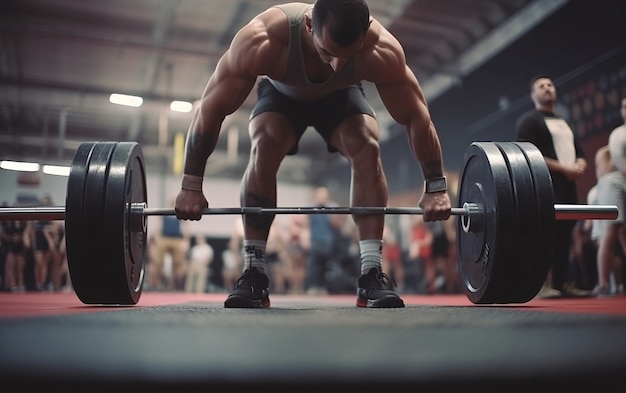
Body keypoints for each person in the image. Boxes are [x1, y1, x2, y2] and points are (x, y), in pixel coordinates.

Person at [174, 0, 452, 308]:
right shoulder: (262, 39)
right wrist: (191, 185)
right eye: (328, 52)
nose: (337, 66)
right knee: (264, 143)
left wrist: (436, 186)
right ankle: (254, 271)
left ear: (367, 31)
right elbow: (211, 111)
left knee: (367, 145)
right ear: (309, 26)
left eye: (349, 56)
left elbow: (416, 116)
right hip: (281, 95)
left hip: (340, 98)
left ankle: (370, 273)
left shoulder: (381, 49)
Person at [516, 74, 591, 298]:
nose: (548, 88)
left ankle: (562, 282)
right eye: (542, 86)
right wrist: (564, 168)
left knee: (565, 235)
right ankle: (541, 285)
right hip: (544, 185)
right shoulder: (528, 121)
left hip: (568, 185)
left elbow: (580, 152)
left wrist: (579, 164)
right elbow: (529, 153)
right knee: (545, 235)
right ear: (533, 95)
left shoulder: (565, 122)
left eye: (550, 85)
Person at [591, 94, 626, 296]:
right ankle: (604, 283)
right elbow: (621, 164)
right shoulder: (618, 135)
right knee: (611, 230)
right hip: (613, 182)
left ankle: (617, 284)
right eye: (623, 106)